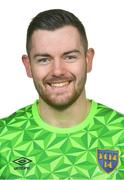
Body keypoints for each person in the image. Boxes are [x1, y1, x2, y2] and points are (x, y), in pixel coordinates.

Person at [0, 9, 124, 179]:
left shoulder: (120, 132)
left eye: (70, 57)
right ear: (28, 65)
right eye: (44, 59)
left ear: (88, 60)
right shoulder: (4, 137)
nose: (57, 70)